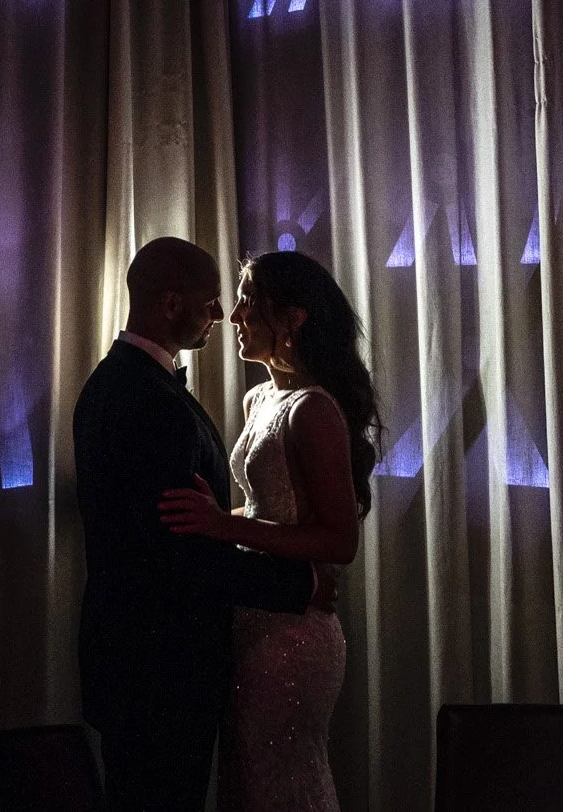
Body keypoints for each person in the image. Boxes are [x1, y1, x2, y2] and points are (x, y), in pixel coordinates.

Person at [74, 237, 330, 812]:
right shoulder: (148, 400)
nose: (221, 315)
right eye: (211, 302)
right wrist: (302, 586)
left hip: (143, 663)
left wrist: (235, 522)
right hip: (160, 670)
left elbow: (189, 526)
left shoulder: (122, 383)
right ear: (170, 305)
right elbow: (178, 552)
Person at [158, 250, 381, 812]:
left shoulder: (313, 411)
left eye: (248, 303)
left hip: (292, 636)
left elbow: (338, 541)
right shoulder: (260, 398)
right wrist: (219, 519)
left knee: (281, 781)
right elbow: (269, 510)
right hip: (249, 622)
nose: (232, 316)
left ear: (293, 318)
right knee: (247, 782)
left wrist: (220, 526)